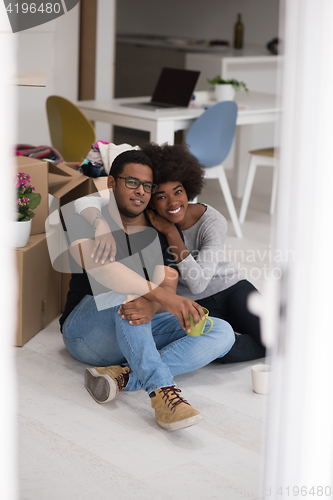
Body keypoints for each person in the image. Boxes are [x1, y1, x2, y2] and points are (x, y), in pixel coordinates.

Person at [61, 150, 234, 431]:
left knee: (221, 331)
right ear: (112, 184)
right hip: (86, 333)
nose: (140, 191)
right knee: (124, 292)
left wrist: (153, 304)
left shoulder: (154, 229)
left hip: (133, 329)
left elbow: (168, 278)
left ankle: (123, 376)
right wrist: (163, 298)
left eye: (147, 186)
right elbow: (104, 271)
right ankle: (162, 393)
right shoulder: (87, 218)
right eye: (132, 182)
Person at [74, 144, 265, 363]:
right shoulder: (143, 216)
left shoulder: (211, 222)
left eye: (178, 192)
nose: (173, 203)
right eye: (162, 197)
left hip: (230, 288)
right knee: (216, 349)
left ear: (188, 189)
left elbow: (199, 283)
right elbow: (85, 201)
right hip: (184, 301)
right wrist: (100, 224)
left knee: (275, 338)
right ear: (151, 202)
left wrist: (171, 233)